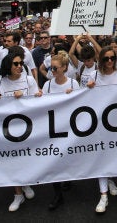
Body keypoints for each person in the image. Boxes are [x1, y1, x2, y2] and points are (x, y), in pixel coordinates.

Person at [0, 52, 41, 212]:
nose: (20, 66)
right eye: (16, 64)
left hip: (28, 128)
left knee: (26, 159)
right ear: (8, 66)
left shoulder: (28, 79)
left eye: (21, 63)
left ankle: (25, 182)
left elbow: (38, 100)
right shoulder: (0, 82)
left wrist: (27, 96)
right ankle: (18, 193)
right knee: (12, 161)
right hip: (8, 130)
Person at [86, 46, 117, 213]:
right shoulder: (94, 75)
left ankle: (110, 178)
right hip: (100, 122)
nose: (110, 61)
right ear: (101, 60)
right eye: (106, 59)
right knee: (101, 155)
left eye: (112, 58)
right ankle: (103, 195)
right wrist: (88, 89)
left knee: (115, 154)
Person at [42, 50, 81, 211]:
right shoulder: (47, 85)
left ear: (64, 68)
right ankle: (57, 193)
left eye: (55, 68)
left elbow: (80, 105)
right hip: (53, 127)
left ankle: (68, 177)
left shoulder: (73, 84)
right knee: (53, 159)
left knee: (68, 156)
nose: (52, 71)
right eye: (51, 68)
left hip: (69, 127)